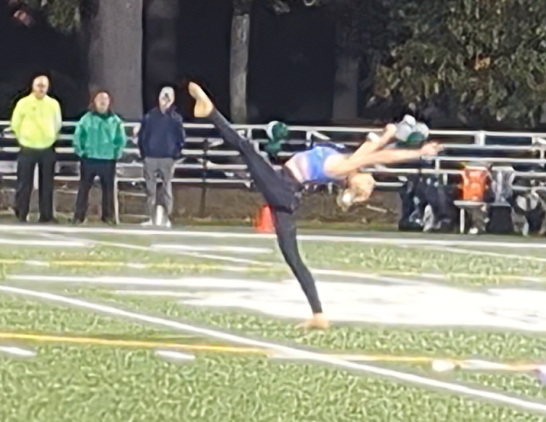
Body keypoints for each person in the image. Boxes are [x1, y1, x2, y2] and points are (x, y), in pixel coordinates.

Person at [188, 81, 441, 329]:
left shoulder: (343, 167)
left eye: (369, 185)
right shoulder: (349, 161)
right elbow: (372, 149)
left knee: (247, 148)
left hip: (283, 188)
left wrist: (417, 152)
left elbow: (381, 155)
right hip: (284, 195)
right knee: (293, 258)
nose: (371, 180)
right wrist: (388, 133)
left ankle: (211, 111)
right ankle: (319, 314)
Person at [10, 75, 62, 223]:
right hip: (27, 147)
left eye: (44, 86)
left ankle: (46, 215)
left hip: (46, 147)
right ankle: (21, 213)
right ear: (33, 86)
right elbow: (16, 123)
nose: (41, 88)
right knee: (24, 183)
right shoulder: (23, 103)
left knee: (47, 184)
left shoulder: (53, 104)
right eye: (38, 85)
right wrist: (23, 138)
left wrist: (51, 138)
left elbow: (57, 123)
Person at [72, 91, 127, 224]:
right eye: (100, 99)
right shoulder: (86, 119)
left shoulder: (115, 121)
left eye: (105, 100)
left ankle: (108, 216)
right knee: (84, 188)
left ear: (109, 102)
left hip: (108, 159)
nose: (102, 102)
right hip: (89, 158)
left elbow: (121, 139)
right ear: (94, 102)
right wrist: (81, 152)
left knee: (108, 190)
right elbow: (78, 136)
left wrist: (116, 153)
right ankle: (79, 216)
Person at [137, 87, 185, 227]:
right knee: (150, 189)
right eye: (163, 96)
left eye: (168, 96)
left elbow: (180, 138)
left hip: (167, 158)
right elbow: (143, 135)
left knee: (166, 189)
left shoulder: (176, 118)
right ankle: (150, 217)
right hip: (151, 157)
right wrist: (144, 153)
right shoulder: (150, 116)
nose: (165, 99)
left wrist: (175, 154)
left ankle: (166, 218)